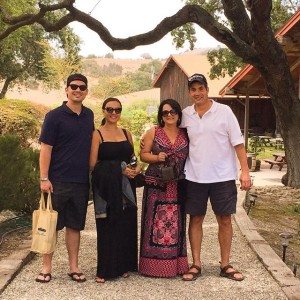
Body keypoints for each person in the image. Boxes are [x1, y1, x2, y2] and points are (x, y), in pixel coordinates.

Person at [181, 73, 252, 281]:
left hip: (222, 176)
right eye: (193, 89)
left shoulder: (224, 112)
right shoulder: (186, 115)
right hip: (194, 176)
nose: (197, 93)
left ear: (207, 89)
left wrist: (245, 171)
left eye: (200, 88)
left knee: (225, 219)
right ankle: (196, 264)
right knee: (195, 219)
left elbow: (238, 144)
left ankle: (225, 264)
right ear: (189, 92)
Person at [37, 73, 94, 283]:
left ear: (86, 91)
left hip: (80, 181)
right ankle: (46, 267)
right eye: (74, 86)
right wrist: (44, 178)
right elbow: (45, 149)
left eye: (82, 87)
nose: (77, 90)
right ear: (66, 89)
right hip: (56, 181)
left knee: (74, 225)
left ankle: (74, 267)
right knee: (50, 225)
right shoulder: (54, 116)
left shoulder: (89, 115)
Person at [90, 97, 140, 283]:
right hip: (106, 187)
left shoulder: (126, 133)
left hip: (126, 188)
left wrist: (136, 168)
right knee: (107, 226)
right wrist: (118, 168)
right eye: (110, 109)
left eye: (117, 110)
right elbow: (93, 165)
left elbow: (132, 157)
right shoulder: (97, 134)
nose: (113, 113)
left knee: (125, 225)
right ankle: (105, 269)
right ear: (103, 111)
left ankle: (123, 265)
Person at [139, 98, 189, 277]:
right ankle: (151, 267)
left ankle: (176, 265)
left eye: (173, 111)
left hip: (177, 184)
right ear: (161, 115)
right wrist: (156, 158)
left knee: (176, 223)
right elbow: (143, 155)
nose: (169, 115)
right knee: (155, 223)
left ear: (178, 114)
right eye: (165, 112)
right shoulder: (153, 131)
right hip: (156, 184)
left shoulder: (186, 132)